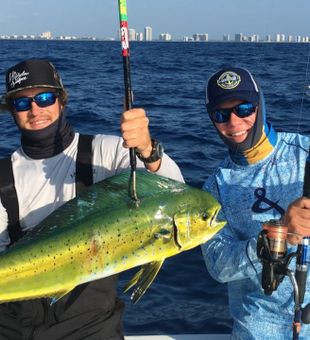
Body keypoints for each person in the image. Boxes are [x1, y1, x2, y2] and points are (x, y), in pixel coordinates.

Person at [0, 59, 183, 340]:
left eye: (44, 98)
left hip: (90, 326)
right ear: (11, 111)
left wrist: (148, 149)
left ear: (61, 101)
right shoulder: (3, 175)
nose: (35, 110)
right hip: (14, 325)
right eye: (22, 104)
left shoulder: (107, 152)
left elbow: (174, 192)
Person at [201, 67, 310, 339]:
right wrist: (279, 233)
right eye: (221, 115)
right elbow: (218, 265)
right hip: (257, 330)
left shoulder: (304, 153)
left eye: (244, 108)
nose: (234, 123)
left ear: (260, 105)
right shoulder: (215, 186)